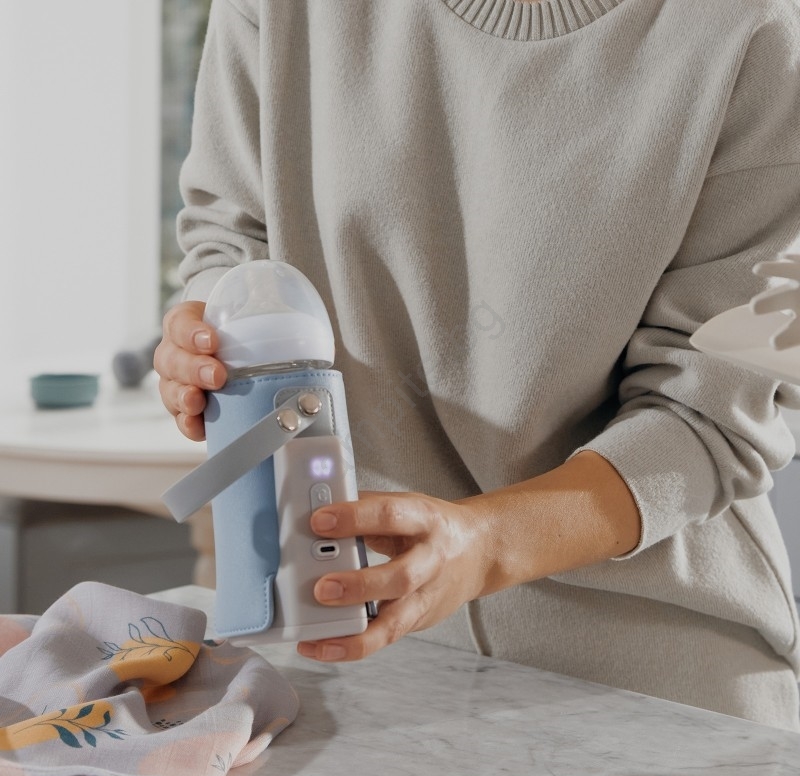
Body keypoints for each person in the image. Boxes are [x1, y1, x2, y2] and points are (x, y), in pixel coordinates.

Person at [154, 0, 800, 730]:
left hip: (653, 684)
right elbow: (232, 236)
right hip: (348, 659)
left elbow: (713, 413)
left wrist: (486, 545)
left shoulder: (752, 29)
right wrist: (207, 330)